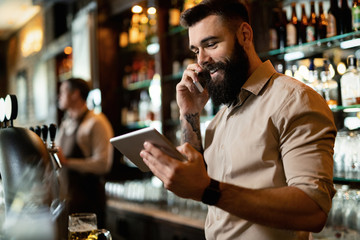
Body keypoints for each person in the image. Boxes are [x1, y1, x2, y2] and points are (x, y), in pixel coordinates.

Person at [140, 0, 337, 239]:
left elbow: (313, 210)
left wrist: (209, 191)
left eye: (211, 44)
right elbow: (194, 178)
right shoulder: (223, 113)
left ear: (244, 35)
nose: (201, 60)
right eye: (196, 50)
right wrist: (189, 113)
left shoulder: (294, 100)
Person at [56, 78, 114, 228]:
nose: (59, 96)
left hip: (89, 204)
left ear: (75, 94)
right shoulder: (66, 123)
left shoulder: (96, 122)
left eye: (63, 91)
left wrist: (67, 162)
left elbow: (103, 164)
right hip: (68, 202)